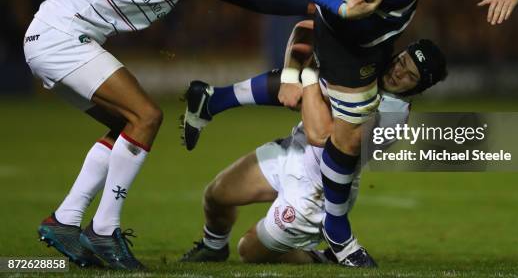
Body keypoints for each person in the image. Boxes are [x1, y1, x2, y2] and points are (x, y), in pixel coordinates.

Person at [27, 0, 309, 270]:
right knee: (146, 116)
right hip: (62, 38)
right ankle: (104, 231)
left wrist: (314, 2)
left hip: (51, 36)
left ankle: (66, 220)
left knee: (126, 124)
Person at [284, 0, 518, 265]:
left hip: (385, 34)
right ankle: (337, 231)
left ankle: (217, 99)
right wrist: (338, 7)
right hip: (343, 30)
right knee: (349, 129)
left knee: (343, 122)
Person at [180, 22, 447, 266]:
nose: (398, 72)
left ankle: (321, 259)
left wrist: (307, 76)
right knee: (216, 195)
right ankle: (213, 247)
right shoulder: (372, 65)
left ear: (418, 88)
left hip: (316, 191)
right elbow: (303, 29)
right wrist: (290, 75)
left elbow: (321, 133)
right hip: (293, 151)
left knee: (248, 251)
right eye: (402, 61)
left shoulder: (390, 114)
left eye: (410, 76)